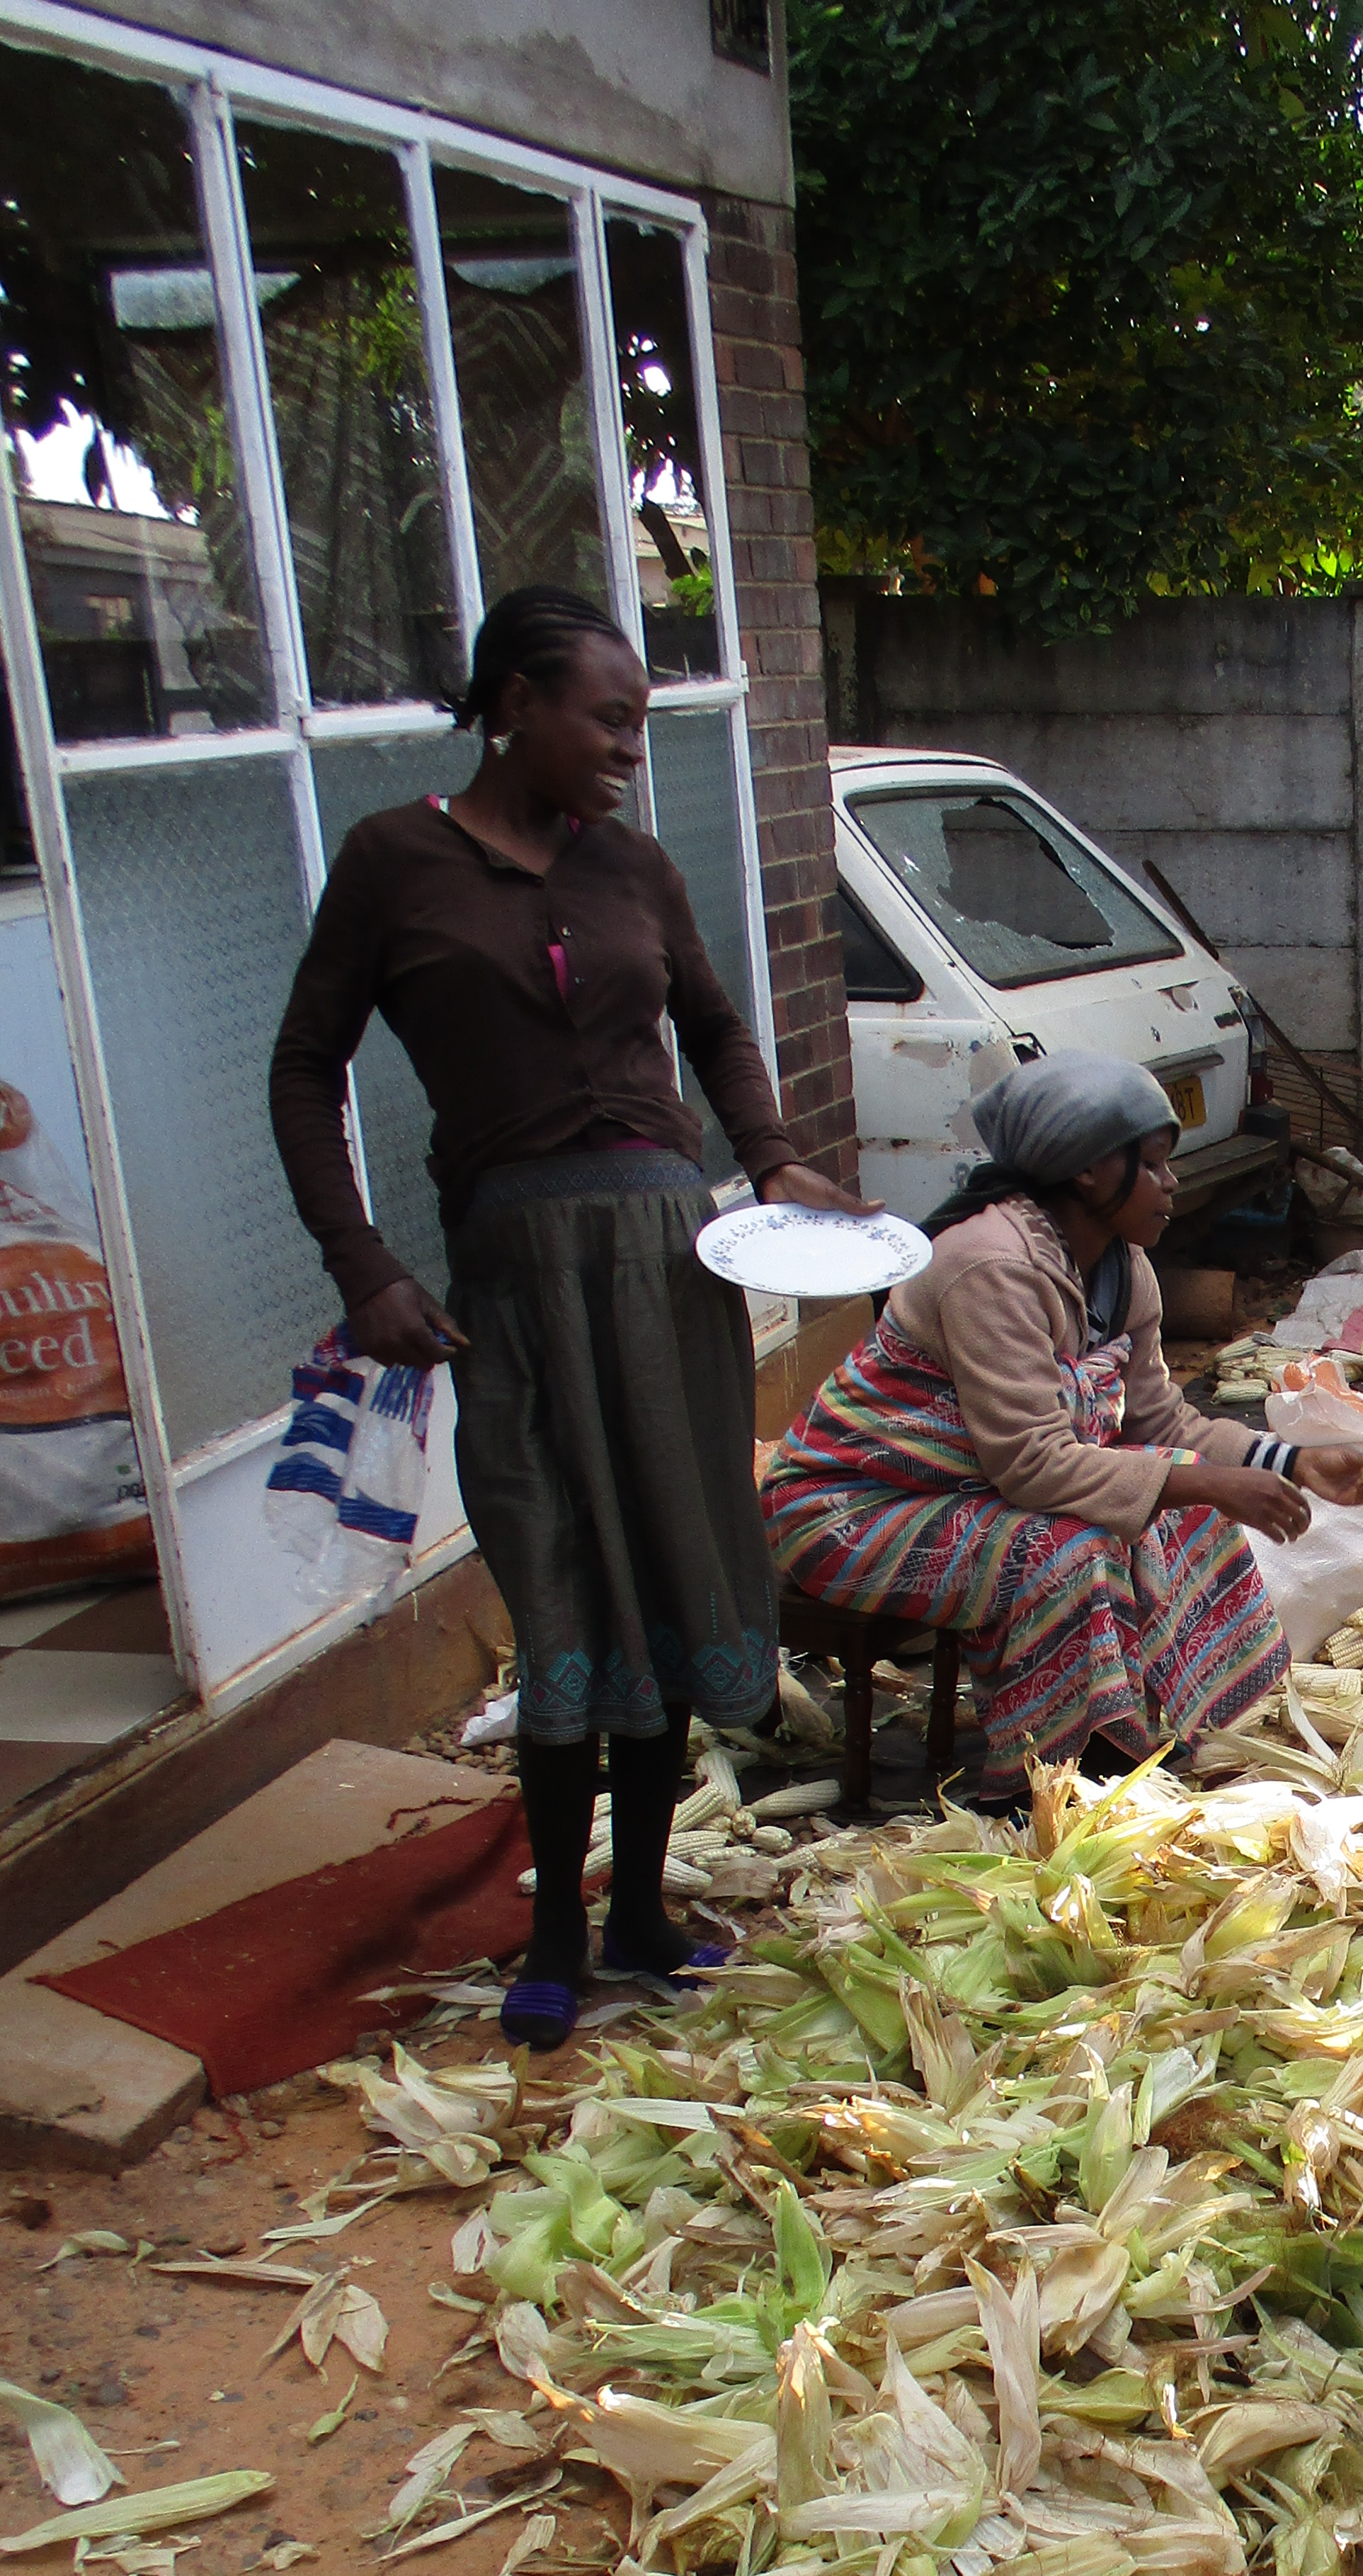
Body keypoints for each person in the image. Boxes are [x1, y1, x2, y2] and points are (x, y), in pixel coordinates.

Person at [269, 582, 874, 2053]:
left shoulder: (637, 872)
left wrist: (774, 1149)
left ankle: (644, 1912)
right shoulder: (395, 862)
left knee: (670, 1574)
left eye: (641, 726)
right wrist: (361, 1264)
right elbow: (305, 1070)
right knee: (560, 1583)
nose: (626, 749)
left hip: (670, 1261)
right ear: (516, 703)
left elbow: (719, 1026)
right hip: (518, 1279)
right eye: (607, 720)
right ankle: (550, 1929)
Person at [763, 1052, 1363, 1800]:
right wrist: (1212, 1481)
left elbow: (1160, 1418)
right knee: (1070, 1550)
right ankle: (1045, 1778)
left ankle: (1137, 1727)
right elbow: (1032, 1463)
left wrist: (1290, 1462)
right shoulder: (989, 1265)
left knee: (1179, 1508)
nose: (1172, 1183)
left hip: (964, 1494)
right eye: (1153, 1166)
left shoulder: (1125, 1268)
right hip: (853, 1506)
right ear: (1088, 1171)